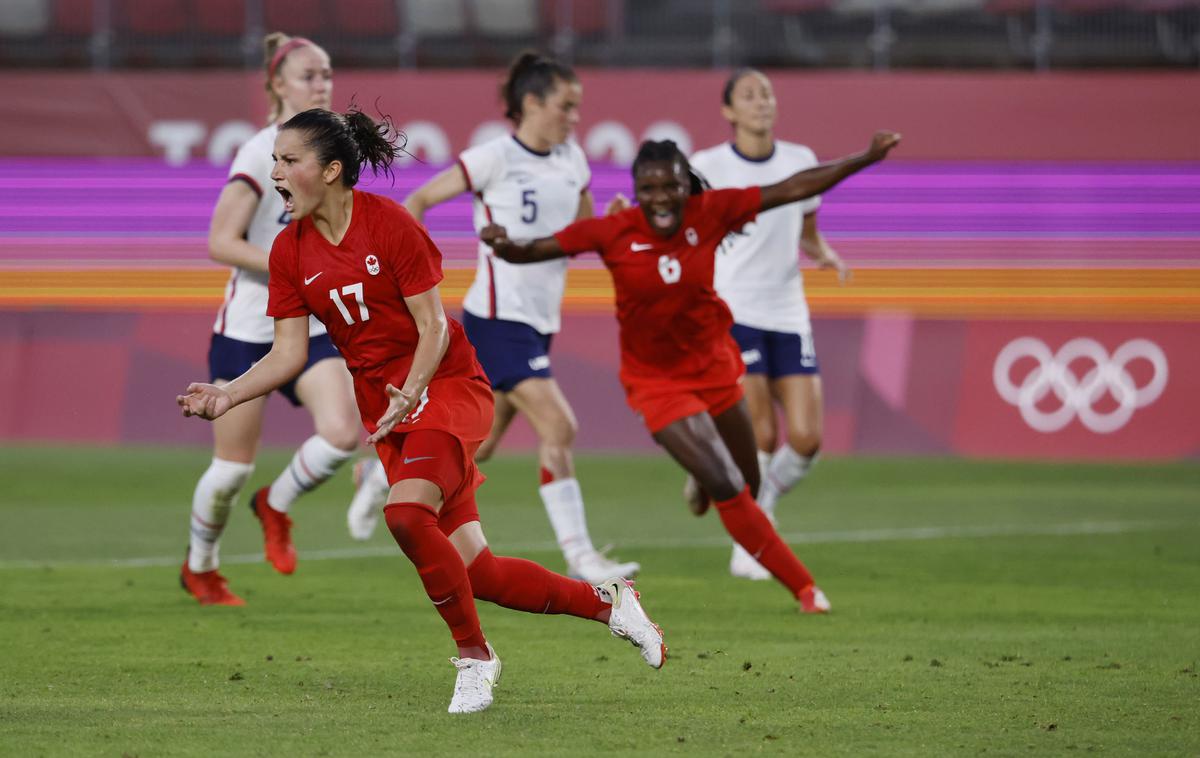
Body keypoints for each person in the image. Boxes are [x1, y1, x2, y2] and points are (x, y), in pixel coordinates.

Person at [177, 107, 666, 714]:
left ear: (330, 170)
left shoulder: (390, 226)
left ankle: (476, 659)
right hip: (389, 404)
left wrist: (413, 388)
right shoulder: (287, 251)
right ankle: (610, 603)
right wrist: (228, 394)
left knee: (406, 513)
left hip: (447, 384)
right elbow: (287, 354)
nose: (274, 172)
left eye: (287, 160)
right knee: (477, 571)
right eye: (274, 160)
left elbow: (433, 325)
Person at [482, 132, 901, 613]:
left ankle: (700, 480)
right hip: (656, 384)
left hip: (716, 369)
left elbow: (792, 188)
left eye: (671, 186)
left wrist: (864, 157)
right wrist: (504, 244)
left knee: (750, 483)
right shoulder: (613, 230)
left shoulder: (711, 213)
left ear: (687, 185)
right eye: (650, 188)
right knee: (728, 484)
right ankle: (807, 590)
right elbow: (536, 249)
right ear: (637, 191)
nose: (661, 198)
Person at [399, 51, 637, 583]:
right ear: (531, 102)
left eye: (577, 108)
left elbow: (578, 235)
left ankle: (387, 478)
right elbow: (417, 200)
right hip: (498, 316)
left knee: (481, 439)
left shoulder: (572, 160)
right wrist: (415, 275)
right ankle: (583, 558)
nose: (574, 118)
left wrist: (611, 225)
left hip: (540, 319)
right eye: (565, 106)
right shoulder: (493, 157)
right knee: (559, 425)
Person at [180, 33, 391, 606]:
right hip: (249, 330)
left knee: (344, 433)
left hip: (310, 326)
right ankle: (200, 567)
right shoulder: (259, 152)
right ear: (276, 83)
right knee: (228, 473)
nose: (320, 83)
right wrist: (289, 269)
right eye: (307, 74)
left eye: (325, 74)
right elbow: (220, 241)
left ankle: (275, 503)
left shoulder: (323, 152)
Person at [690, 69, 849, 580]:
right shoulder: (706, 167)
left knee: (805, 439)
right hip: (733, 311)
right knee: (761, 430)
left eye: (767, 94)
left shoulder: (799, 161)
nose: (762, 102)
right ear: (729, 112)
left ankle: (742, 494)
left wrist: (824, 254)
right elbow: (686, 232)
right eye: (749, 96)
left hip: (787, 312)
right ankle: (751, 541)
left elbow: (806, 230)